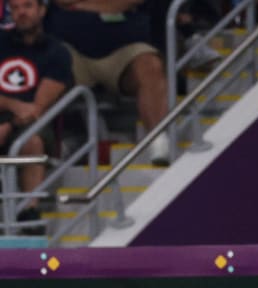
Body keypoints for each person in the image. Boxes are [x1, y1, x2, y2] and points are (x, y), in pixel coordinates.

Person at [47, 0, 170, 164]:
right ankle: (47, 147)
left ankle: (157, 139)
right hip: (71, 51)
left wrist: (85, 5)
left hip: (123, 49)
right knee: (45, 65)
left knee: (150, 66)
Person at [0, 0, 71, 229]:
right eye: (16, 8)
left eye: (28, 6)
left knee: (30, 140)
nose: (21, 13)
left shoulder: (57, 51)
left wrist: (9, 124)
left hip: (34, 124)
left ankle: (30, 212)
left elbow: (37, 108)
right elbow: (20, 107)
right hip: (8, 115)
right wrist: (11, 104)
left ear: (42, 11)